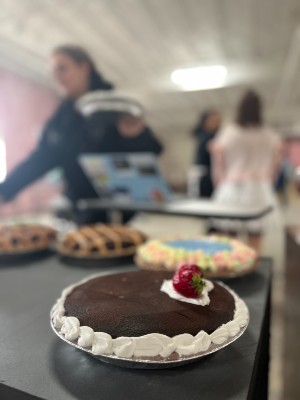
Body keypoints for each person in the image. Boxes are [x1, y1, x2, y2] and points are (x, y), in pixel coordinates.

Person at [0, 45, 163, 223]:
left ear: (84, 66)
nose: (57, 77)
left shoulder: (115, 106)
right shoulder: (59, 120)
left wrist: (136, 136)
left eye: (62, 68)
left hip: (121, 213)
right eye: (53, 72)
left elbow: (153, 150)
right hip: (80, 210)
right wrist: (5, 190)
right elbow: (41, 158)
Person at [210, 90, 282, 252]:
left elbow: (218, 165)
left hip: (231, 188)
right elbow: (276, 166)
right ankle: (253, 270)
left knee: (229, 238)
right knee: (255, 239)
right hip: (260, 188)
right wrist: (269, 182)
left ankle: (231, 272)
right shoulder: (270, 135)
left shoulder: (229, 132)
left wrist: (219, 184)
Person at [192, 110, 221, 197]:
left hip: (212, 175)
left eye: (218, 121)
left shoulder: (212, 137)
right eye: (213, 121)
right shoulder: (206, 137)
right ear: (205, 122)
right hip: (204, 177)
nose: (216, 123)